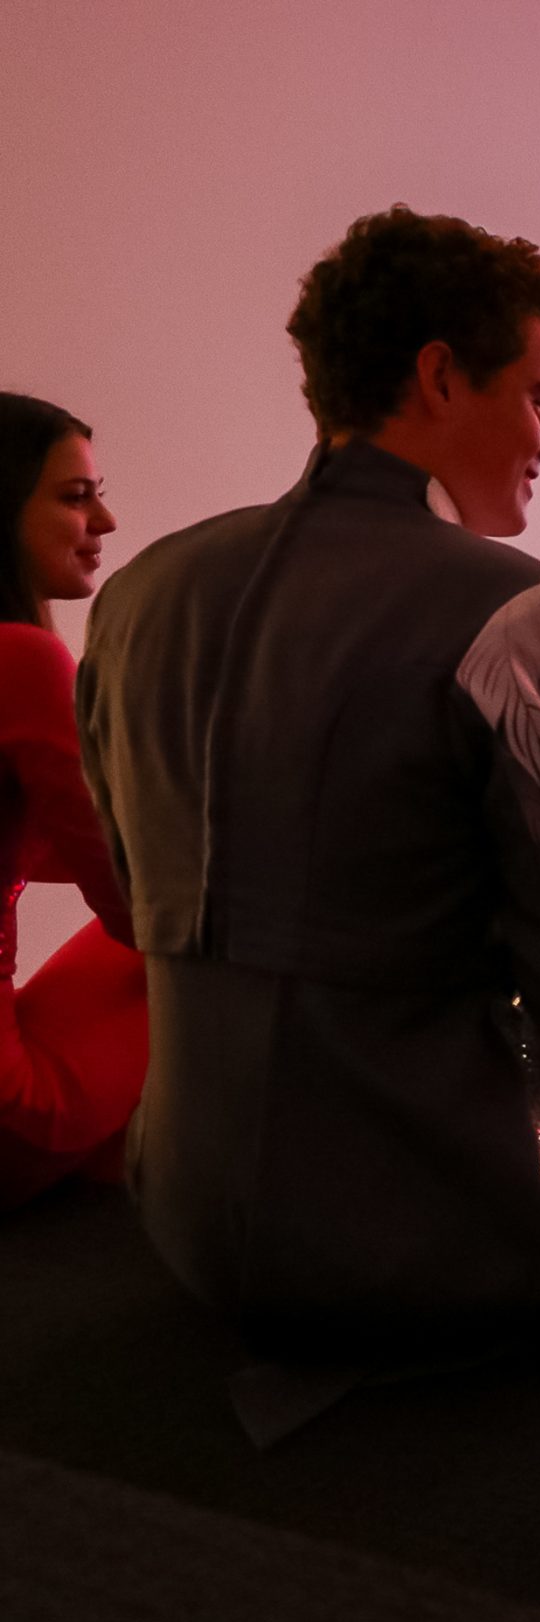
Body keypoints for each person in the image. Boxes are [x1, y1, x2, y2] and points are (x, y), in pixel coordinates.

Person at [76, 209, 540, 1384]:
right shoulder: (516, 610)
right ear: (440, 377)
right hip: (407, 1218)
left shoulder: (139, 592)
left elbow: (125, 892)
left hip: (184, 1209)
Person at [1, 394, 148, 1208]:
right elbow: (139, 906)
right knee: (239, 930)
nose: (107, 519)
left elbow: (50, 846)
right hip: (9, 1113)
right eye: (75, 496)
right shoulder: (22, 660)